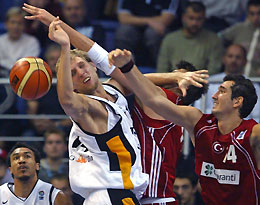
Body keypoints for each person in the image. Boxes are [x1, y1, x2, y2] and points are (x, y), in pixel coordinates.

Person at [22, 4, 208, 204]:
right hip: (113, 194)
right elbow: (106, 62)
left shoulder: (160, 102)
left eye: (82, 66)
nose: (81, 73)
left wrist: (173, 76)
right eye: (72, 73)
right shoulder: (92, 103)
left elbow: (133, 78)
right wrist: (59, 32)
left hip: (145, 198)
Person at [108, 49, 260, 204]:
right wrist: (127, 66)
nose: (213, 96)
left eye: (221, 91)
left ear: (237, 101)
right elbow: (151, 98)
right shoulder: (198, 122)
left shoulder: (253, 132)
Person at [133, 61, 207, 205]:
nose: (164, 78)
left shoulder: (167, 100)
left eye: (174, 77)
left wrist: (173, 77)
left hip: (154, 198)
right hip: (150, 196)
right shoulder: (176, 110)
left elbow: (133, 80)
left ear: (181, 87)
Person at [194, 44, 260, 122]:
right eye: (230, 56)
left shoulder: (253, 85)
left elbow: (257, 116)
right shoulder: (210, 82)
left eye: (238, 57)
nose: (233, 60)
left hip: (243, 131)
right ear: (223, 58)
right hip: (211, 129)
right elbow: (199, 110)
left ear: (245, 61)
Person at [157, 1, 224, 75]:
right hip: (173, 82)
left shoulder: (213, 40)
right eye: (191, 18)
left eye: (199, 19)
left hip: (202, 83)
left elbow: (213, 71)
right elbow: (161, 71)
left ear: (204, 19)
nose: (194, 23)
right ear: (183, 17)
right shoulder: (169, 39)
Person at [0, 143, 71, 204]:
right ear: (10, 169)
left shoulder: (55, 195)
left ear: (37, 165)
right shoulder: (1, 194)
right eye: (16, 158)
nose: (21, 160)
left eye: (27, 156)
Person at [115, 0, 179, 67]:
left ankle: (160, 68)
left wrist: (146, 22)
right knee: (124, 32)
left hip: (159, 30)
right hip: (135, 29)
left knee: (152, 33)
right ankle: (125, 68)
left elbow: (166, 19)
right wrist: (149, 21)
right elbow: (123, 18)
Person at [219, 0, 260, 77]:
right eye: (252, 13)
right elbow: (218, 38)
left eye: (259, 13)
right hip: (235, 78)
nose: (256, 17)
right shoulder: (239, 28)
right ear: (247, 14)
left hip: (257, 80)